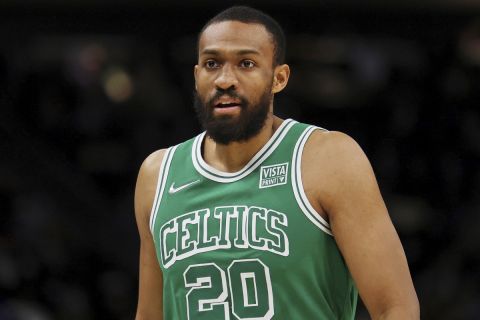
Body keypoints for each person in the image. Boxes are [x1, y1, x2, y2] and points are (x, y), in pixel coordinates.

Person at [134, 6, 419, 320]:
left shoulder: (328, 158)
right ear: (197, 75)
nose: (225, 80)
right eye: (212, 63)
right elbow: (150, 314)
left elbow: (396, 308)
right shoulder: (157, 174)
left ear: (278, 78)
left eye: (246, 63)